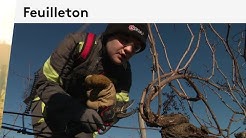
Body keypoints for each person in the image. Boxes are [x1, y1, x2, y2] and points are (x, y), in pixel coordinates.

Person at [29, 23, 149, 138]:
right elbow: (44, 82)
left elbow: (120, 105)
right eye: (124, 39)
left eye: (136, 47)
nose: (129, 49)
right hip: (49, 102)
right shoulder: (78, 43)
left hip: (86, 115)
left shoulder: (124, 72)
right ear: (109, 35)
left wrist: (107, 111)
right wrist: (76, 110)